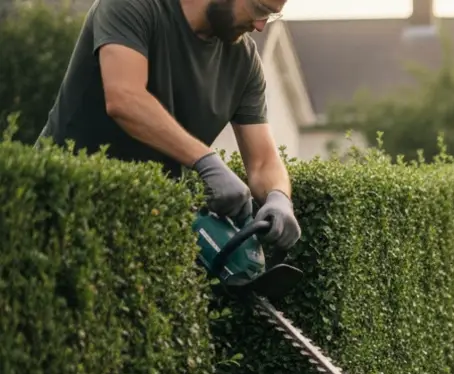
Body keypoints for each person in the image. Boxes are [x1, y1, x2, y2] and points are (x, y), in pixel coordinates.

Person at [40, 0, 300, 249]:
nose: (260, 25)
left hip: (144, 224)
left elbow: (262, 162)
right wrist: (206, 161)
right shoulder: (133, 6)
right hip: (59, 204)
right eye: (259, 9)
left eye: (271, 14)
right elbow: (125, 98)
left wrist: (279, 197)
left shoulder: (244, 62)